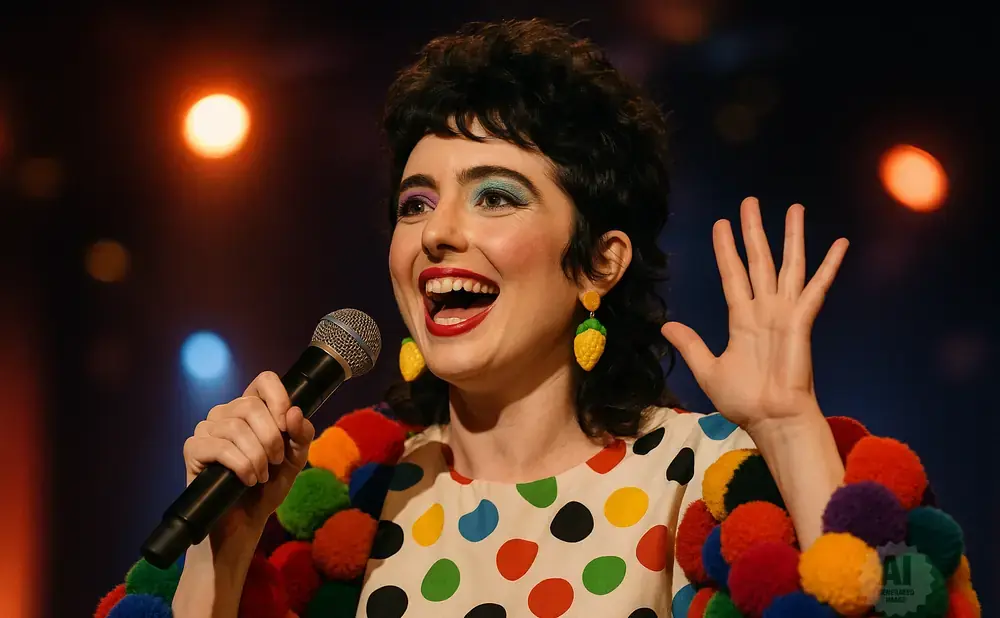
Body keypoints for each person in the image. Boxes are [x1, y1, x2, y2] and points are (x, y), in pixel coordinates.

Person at [98, 19, 979, 618]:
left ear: (601, 261)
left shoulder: (698, 471)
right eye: (415, 203)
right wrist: (226, 547)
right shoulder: (344, 496)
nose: (438, 232)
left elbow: (900, 597)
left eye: (494, 197)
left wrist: (788, 430)